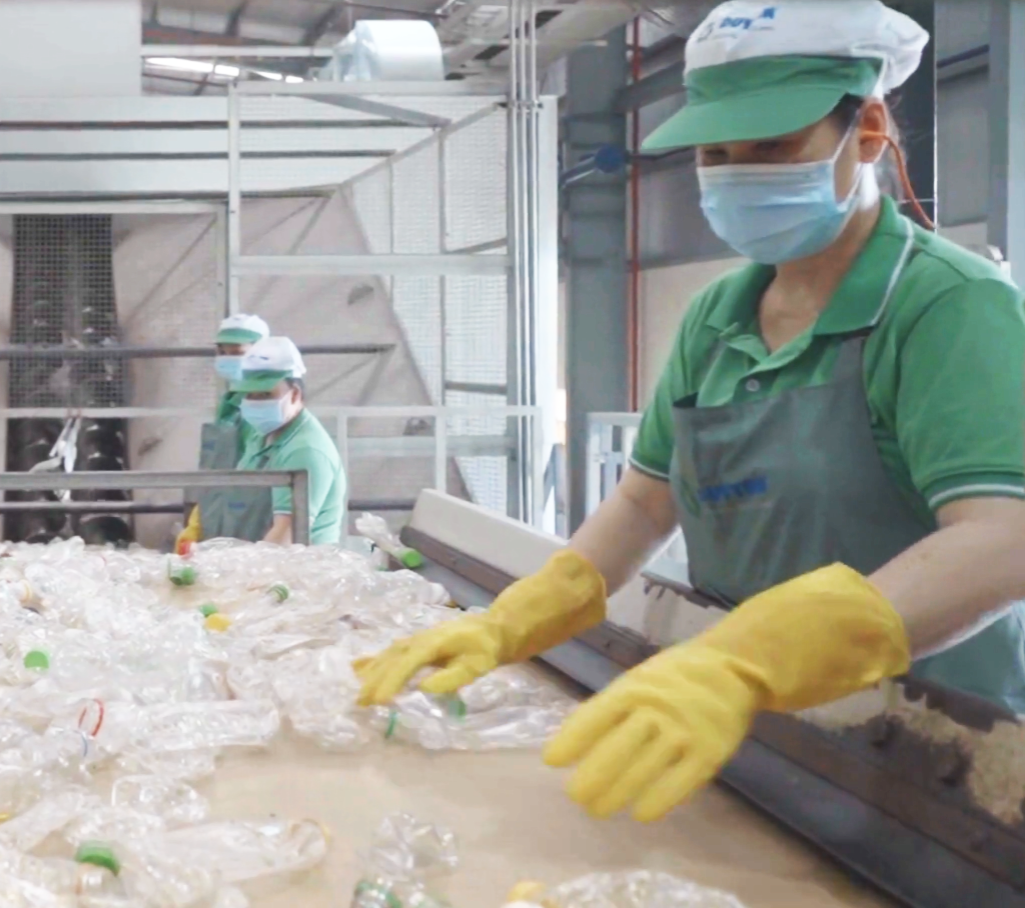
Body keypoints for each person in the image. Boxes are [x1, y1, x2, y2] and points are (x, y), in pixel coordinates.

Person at [355, 0, 1025, 824]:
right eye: (717, 151)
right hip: (743, 727)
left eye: (776, 146)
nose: (740, 173)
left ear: (872, 130)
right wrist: (513, 619)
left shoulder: (947, 306)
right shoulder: (718, 316)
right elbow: (645, 499)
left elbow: (1003, 537)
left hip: (933, 747)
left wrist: (747, 661)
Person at [231, 337, 346, 546]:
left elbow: (286, 537)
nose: (255, 403)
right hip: (259, 560)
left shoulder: (305, 450)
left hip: (301, 570)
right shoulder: (262, 435)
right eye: (250, 394)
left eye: (266, 394)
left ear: (295, 395)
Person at [180, 313, 272, 547]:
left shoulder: (267, 409)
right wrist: (197, 523)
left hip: (252, 527)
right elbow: (215, 470)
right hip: (218, 522)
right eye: (222, 352)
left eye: (237, 352)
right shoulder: (228, 405)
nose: (227, 359)